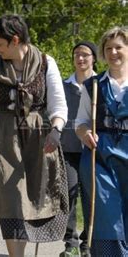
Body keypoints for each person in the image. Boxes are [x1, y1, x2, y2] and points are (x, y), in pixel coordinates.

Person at [0, 14, 69, 257]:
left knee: (34, 199)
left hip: (38, 140)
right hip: (3, 139)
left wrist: (56, 131)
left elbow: (58, 105)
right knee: (10, 199)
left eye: (0, 44)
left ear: (15, 40)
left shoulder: (46, 63)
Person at [75, 26, 128, 256]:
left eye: (119, 47)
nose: (114, 52)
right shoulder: (93, 85)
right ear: (103, 55)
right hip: (101, 158)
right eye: (108, 49)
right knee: (107, 217)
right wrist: (85, 133)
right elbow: (80, 123)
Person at [59, 41, 97, 257]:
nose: (80, 59)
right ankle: (71, 243)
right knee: (69, 195)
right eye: (76, 55)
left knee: (91, 196)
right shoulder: (64, 86)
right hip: (69, 150)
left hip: (94, 150)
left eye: (85, 55)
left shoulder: (100, 85)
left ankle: (88, 243)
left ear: (93, 58)